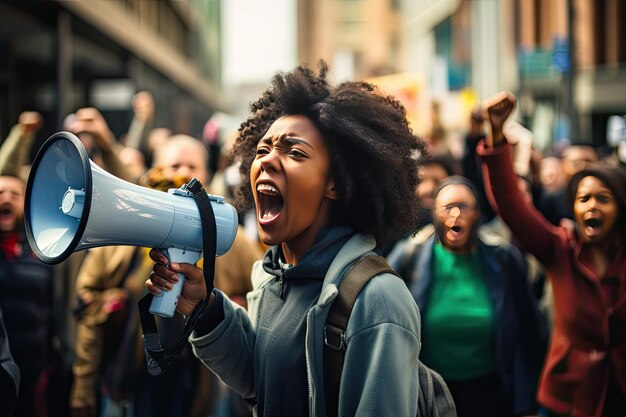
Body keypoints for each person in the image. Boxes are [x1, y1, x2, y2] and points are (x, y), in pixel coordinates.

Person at [146, 62, 424, 417]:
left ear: (336, 183)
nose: (268, 162)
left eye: (294, 153)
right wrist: (207, 309)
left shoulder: (377, 300)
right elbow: (260, 379)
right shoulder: (271, 276)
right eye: (262, 151)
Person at [70, 134, 262, 417]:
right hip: (130, 377)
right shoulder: (121, 235)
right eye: (173, 166)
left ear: (207, 175)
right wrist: (83, 386)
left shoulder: (234, 241)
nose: (183, 173)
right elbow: (86, 309)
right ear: (156, 171)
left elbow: (263, 300)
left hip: (200, 381)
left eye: (192, 167)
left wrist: (230, 310)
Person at [478, 91, 626, 417]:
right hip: (565, 401)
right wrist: (496, 133)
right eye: (584, 199)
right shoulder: (559, 249)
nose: (592, 206)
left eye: (604, 198)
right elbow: (512, 207)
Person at [387, 176, 545, 417]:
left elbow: (526, 337)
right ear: (434, 213)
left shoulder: (504, 260)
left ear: (478, 214)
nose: (455, 215)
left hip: (490, 392)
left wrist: (526, 405)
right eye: (447, 207)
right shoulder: (409, 257)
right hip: (427, 392)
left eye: (463, 207)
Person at [0, 174, 70, 417]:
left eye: (15, 194)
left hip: (37, 368)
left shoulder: (44, 249)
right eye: (0, 193)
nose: (6, 198)